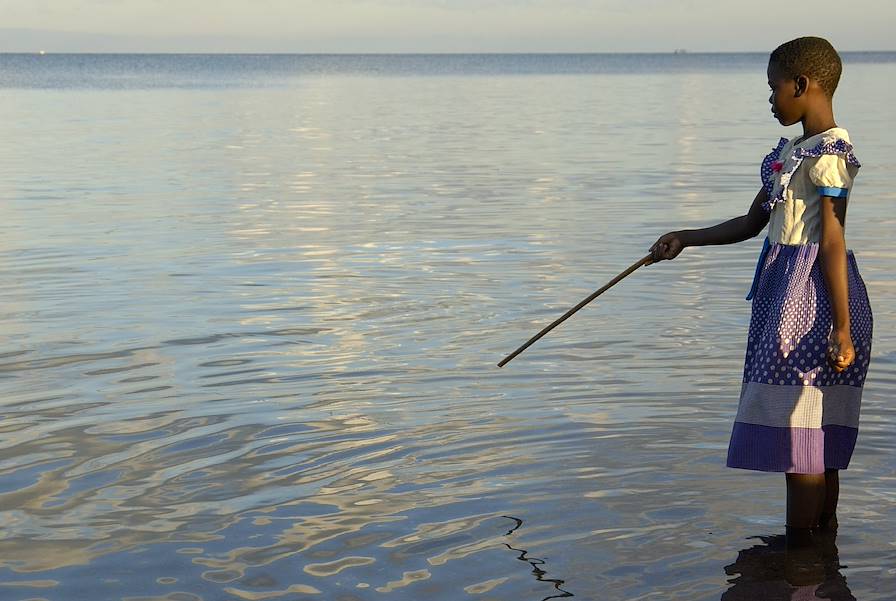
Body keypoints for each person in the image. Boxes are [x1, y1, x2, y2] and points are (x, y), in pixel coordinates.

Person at [649, 36, 873, 548]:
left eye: (774, 89)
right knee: (814, 439)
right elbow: (753, 222)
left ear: (802, 84)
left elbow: (833, 240)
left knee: (805, 441)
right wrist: (686, 237)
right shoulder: (789, 153)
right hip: (784, 297)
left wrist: (841, 327)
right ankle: (820, 557)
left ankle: (800, 561)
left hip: (814, 302)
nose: (770, 100)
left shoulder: (830, 154)